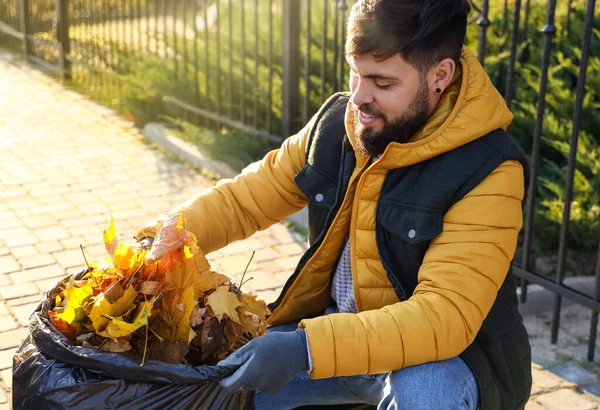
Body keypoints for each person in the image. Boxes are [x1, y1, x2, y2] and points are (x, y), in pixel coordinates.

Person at [138, 0, 532, 408]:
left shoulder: (489, 169)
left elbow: (444, 316)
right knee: (207, 388)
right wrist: (161, 238)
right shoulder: (338, 125)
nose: (359, 98)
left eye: (382, 83)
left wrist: (304, 349)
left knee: (426, 394)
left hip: (447, 363)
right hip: (336, 340)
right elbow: (243, 200)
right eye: (355, 73)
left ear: (439, 75)